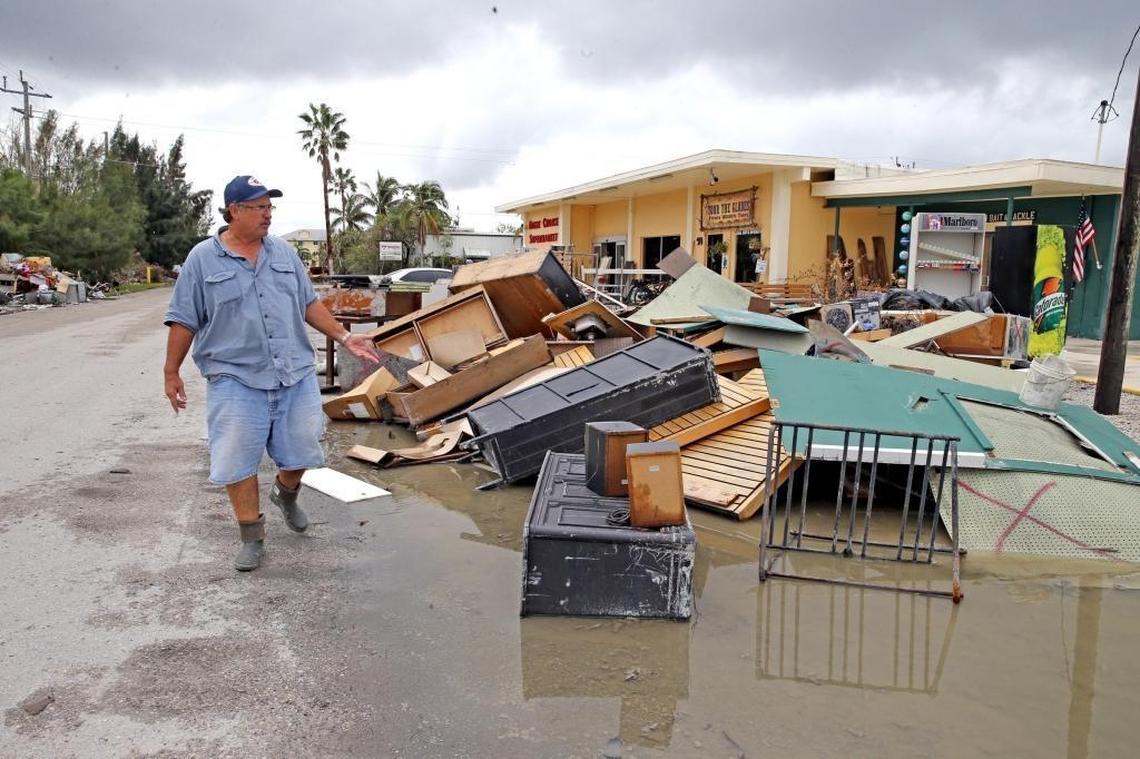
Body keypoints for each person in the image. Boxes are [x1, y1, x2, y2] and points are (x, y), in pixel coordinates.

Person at [163, 175, 379, 571]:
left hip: (293, 371)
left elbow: (308, 304)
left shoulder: (283, 254)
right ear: (234, 211)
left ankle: (286, 492)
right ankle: (251, 535)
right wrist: (171, 372)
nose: (267, 215)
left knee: (303, 447)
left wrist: (345, 337)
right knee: (237, 459)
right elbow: (183, 319)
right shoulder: (202, 259)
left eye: (269, 207)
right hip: (234, 376)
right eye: (259, 207)